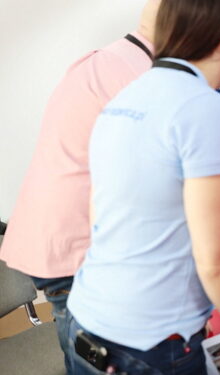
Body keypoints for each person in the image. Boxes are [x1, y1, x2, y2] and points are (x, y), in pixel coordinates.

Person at [64, 0, 220, 373]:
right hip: (149, 344)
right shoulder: (203, 105)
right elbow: (219, 258)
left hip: (87, 320)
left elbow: (98, 214)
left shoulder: (124, 98)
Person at [0, 1, 159, 369]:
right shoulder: (138, 75)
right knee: (94, 358)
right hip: (79, 253)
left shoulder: (111, 62)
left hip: (67, 244)